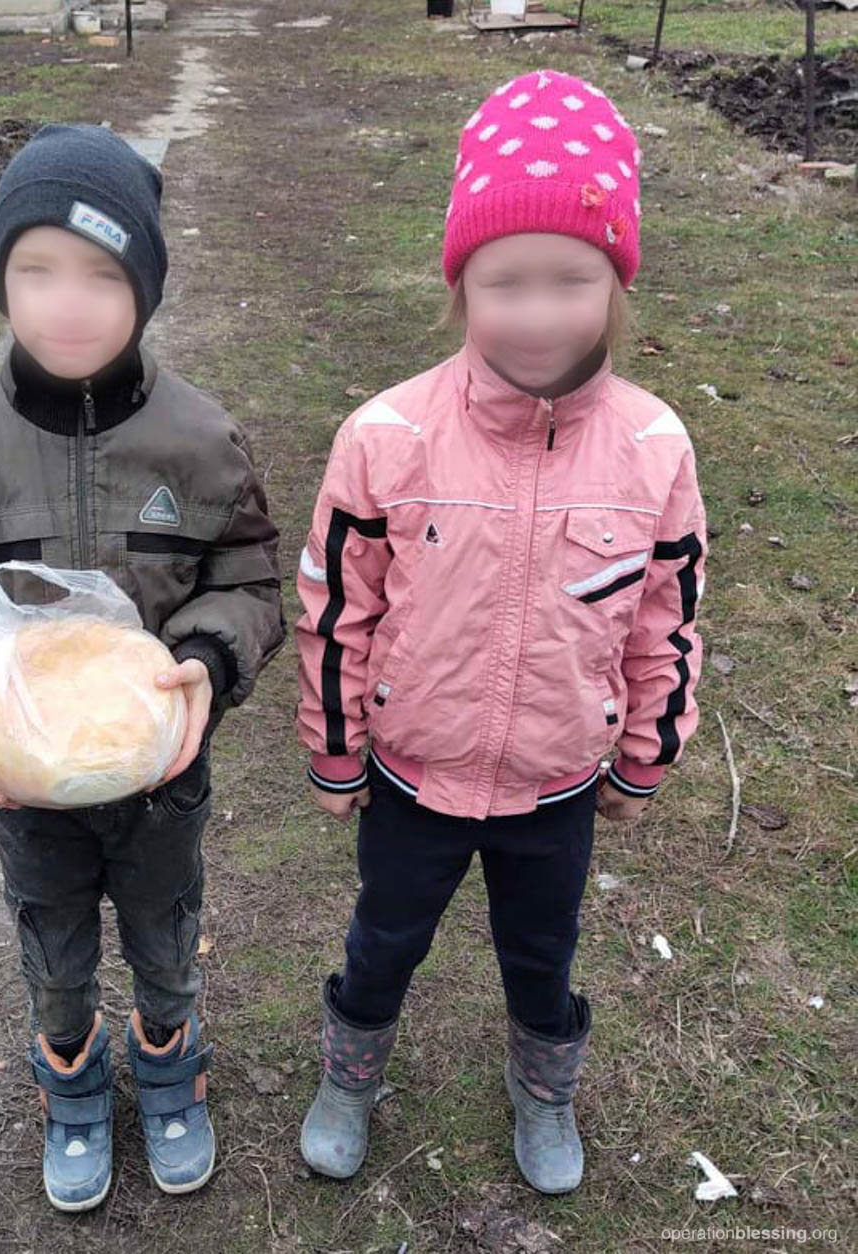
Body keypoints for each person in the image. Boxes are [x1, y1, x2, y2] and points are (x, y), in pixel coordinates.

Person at [294, 69, 707, 1194]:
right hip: (413, 775)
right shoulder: (386, 437)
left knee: (542, 951)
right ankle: (351, 1071)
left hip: (557, 781)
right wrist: (336, 750)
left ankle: (544, 1087)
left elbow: (666, 618)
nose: (538, 313)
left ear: (616, 283)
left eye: (572, 280)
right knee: (385, 938)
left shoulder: (655, 449)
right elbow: (336, 608)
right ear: (460, 284)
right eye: (504, 282)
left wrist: (644, 754)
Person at [0, 124, 285, 1212]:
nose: (69, 302)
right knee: (53, 946)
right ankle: (71, 1078)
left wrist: (204, 660)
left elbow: (248, 583)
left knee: (167, 930)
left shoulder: (201, 442)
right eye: (37, 269)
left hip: (161, 775)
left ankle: (169, 1060)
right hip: (26, 789)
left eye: (104, 274)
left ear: (145, 287)